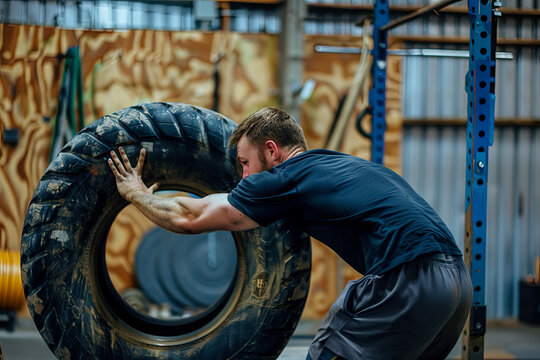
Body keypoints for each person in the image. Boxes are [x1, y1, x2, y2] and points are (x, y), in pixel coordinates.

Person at [108, 107, 472, 360]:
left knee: (328, 350)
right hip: (456, 286)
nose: (245, 176)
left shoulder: (286, 178)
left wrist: (136, 193)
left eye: (246, 163)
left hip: (408, 280)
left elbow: (190, 216)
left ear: (272, 150)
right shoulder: (336, 162)